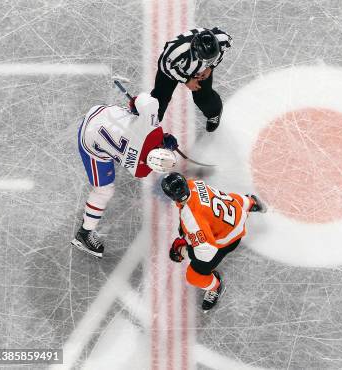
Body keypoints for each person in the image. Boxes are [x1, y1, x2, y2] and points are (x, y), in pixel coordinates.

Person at [72, 93, 179, 258]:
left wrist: (134, 106)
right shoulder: (140, 170)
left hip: (100, 113)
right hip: (90, 138)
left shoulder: (152, 127)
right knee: (103, 190)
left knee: (105, 189)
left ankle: (86, 231)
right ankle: (84, 234)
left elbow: (145, 100)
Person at [161, 172, 267, 312]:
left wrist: (185, 249)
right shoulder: (194, 184)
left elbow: (207, 253)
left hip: (229, 238)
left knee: (193, 276)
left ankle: (215, 286)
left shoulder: (191, 218)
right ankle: (250, 202)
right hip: (235, 212)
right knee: (229, 200)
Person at [151, 27, 232, 132]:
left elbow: (224, 49)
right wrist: (187, 80)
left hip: (200, 70)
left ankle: (214, 113)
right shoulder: (176, 51)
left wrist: (210, 67)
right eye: (205, 58)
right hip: (173, 67)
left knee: (204, 97)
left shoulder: (223, 40)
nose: (208, 61)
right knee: (160, 96)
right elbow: (165, 66)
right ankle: (150, 122)